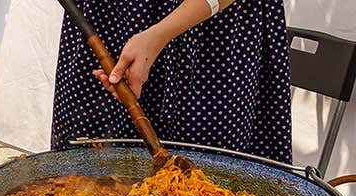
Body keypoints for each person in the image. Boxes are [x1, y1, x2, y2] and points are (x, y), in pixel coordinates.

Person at [51, 0, 292, 163]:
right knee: (81, 179)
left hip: (211, 35)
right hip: (109, 20)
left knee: (210, 194)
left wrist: (157, 36)